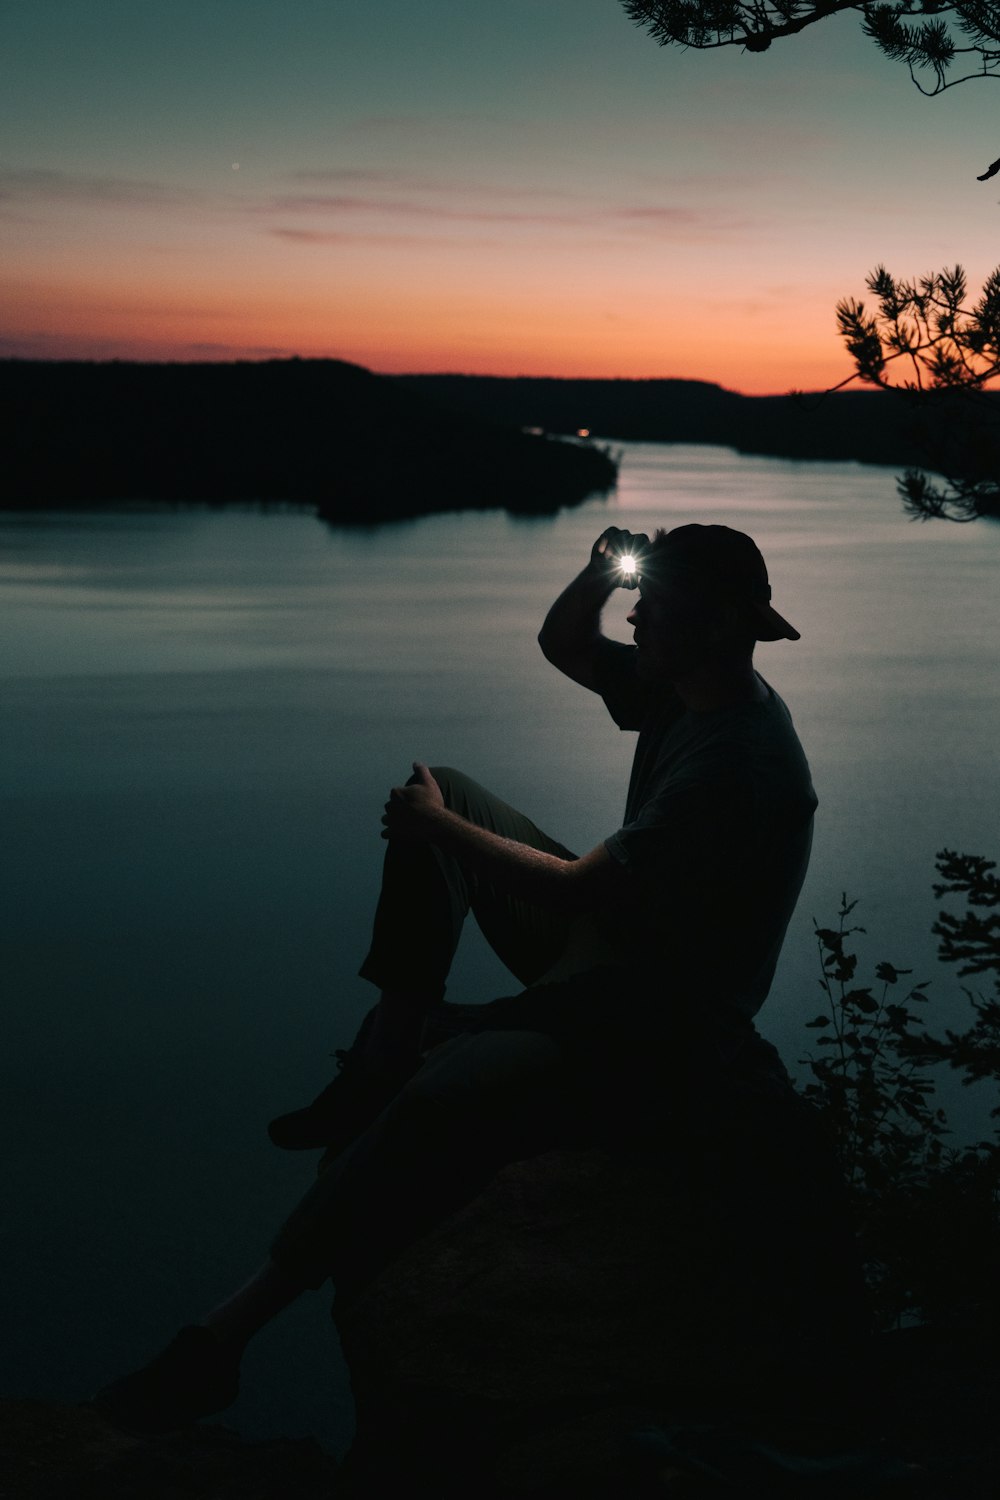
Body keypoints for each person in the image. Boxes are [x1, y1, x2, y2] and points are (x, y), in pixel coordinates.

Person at [94, 522, 827, 1433]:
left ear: (720, 628)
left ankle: (222, 1337)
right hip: (616, 942)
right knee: (448, 785)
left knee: (443, 1094)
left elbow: (575, 889)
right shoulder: (684, 688)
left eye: (657, 604)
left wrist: (437, 830)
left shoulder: (738, 759)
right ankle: (386, 1050)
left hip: (659, 1013)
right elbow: (564, 643)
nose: (636, 616)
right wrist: (599, 571)